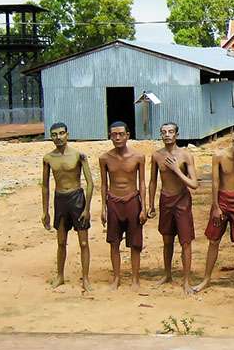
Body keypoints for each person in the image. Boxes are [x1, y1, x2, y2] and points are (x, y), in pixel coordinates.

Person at [194, 130, 234, 294]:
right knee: (214, 241)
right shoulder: (219, 156)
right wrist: (215, 206)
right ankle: (206, 279)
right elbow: (215, 183)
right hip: (221, 199)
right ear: (233, 141)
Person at [41, 122, 94, 291]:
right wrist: (45, 211)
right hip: (60, 199)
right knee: (61, 242)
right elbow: (44, 186)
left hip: (77, 198)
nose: (59, 137)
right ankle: (60, 276)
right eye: (55, 134)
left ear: (67, 134)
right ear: (51, 137)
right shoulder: (48, 158)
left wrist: (87, 209)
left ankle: (85, 278)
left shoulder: (79, 156)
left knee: (84, 243)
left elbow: (90, 183)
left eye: (61, 133)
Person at [147, 122, 198, 296]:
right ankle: (167, 274)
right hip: (165, 200)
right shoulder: (156, 156)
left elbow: (194, 184)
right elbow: (153, 181)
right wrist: (151, 204)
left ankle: (186, 281)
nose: (167, 135)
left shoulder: (185, 155)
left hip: (182, 200)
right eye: (163, 132)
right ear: (160, 135)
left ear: (176, 134)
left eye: (170, 132)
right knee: (167, 240)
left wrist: (177, 169)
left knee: (185, 241)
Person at [99, 121, 147, 290]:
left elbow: (142, 182)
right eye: (114, 134)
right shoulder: (105, 158)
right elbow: (104, 184)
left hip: (132, 200)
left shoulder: (138, 157)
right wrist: (103, 208)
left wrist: (144, 207)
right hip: (113, 201)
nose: (117, 137)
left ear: (127, 135)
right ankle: (117, 278)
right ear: (110, 136)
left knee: (135, 243)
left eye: (120, 134)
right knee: (114, 242)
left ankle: (135, 278)